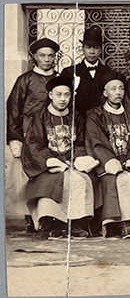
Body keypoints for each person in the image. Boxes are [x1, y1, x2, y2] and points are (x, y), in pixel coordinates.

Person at [22, 76, 97, 239]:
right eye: (59, 95)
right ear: (50, 95)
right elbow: (33, 144)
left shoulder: (76, 117)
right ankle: (51, 221)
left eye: (67, 95)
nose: (63, 99)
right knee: (53, 180)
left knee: (81, 180)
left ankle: (75, 223)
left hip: (71, 162)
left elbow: (82, 141)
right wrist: (49, 160)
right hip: (49, 164)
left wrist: (76, 158)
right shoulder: (40, 116)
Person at [86, 71, 130, 238]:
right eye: (113, 89)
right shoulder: (95, 115)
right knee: (119, 179)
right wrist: (109, 160)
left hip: (127, 160)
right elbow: (96, 141)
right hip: (106, 164)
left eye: (121, 89)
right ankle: (121, 223)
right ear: (105, 92)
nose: (118, 93)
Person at [6, 38, 60, 232]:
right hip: (30, 136)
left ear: (55, 57)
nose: (47, 59)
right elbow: (14, 109)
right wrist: (15, 138)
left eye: (50, 55)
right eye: (42, 56)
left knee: (50, 176)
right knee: (30, 177)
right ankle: (31, 217)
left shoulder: (60, 80)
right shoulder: (25, 80)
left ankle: (50, 216)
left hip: (54, 136)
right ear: (35, 57)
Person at [60, 26, 112, 117]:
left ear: (100, 50)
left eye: (95, 48)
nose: (92, 52)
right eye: (88, 47)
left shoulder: (108, 73)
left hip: (100, 121)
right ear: (82, 49)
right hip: (78, 121)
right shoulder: (69, 72)